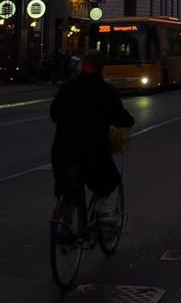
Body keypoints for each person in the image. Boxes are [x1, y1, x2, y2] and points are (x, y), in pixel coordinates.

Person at [50, 51, 134, 226]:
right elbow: (121, 118)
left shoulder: (67, 89)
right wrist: (127, 121)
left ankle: (63, 222)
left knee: (68, 186)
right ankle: (105, 214)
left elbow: (54, 113)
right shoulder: (105, 91)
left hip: (63, 151)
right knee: (111, 182)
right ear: (101, 69)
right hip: (93, 153)